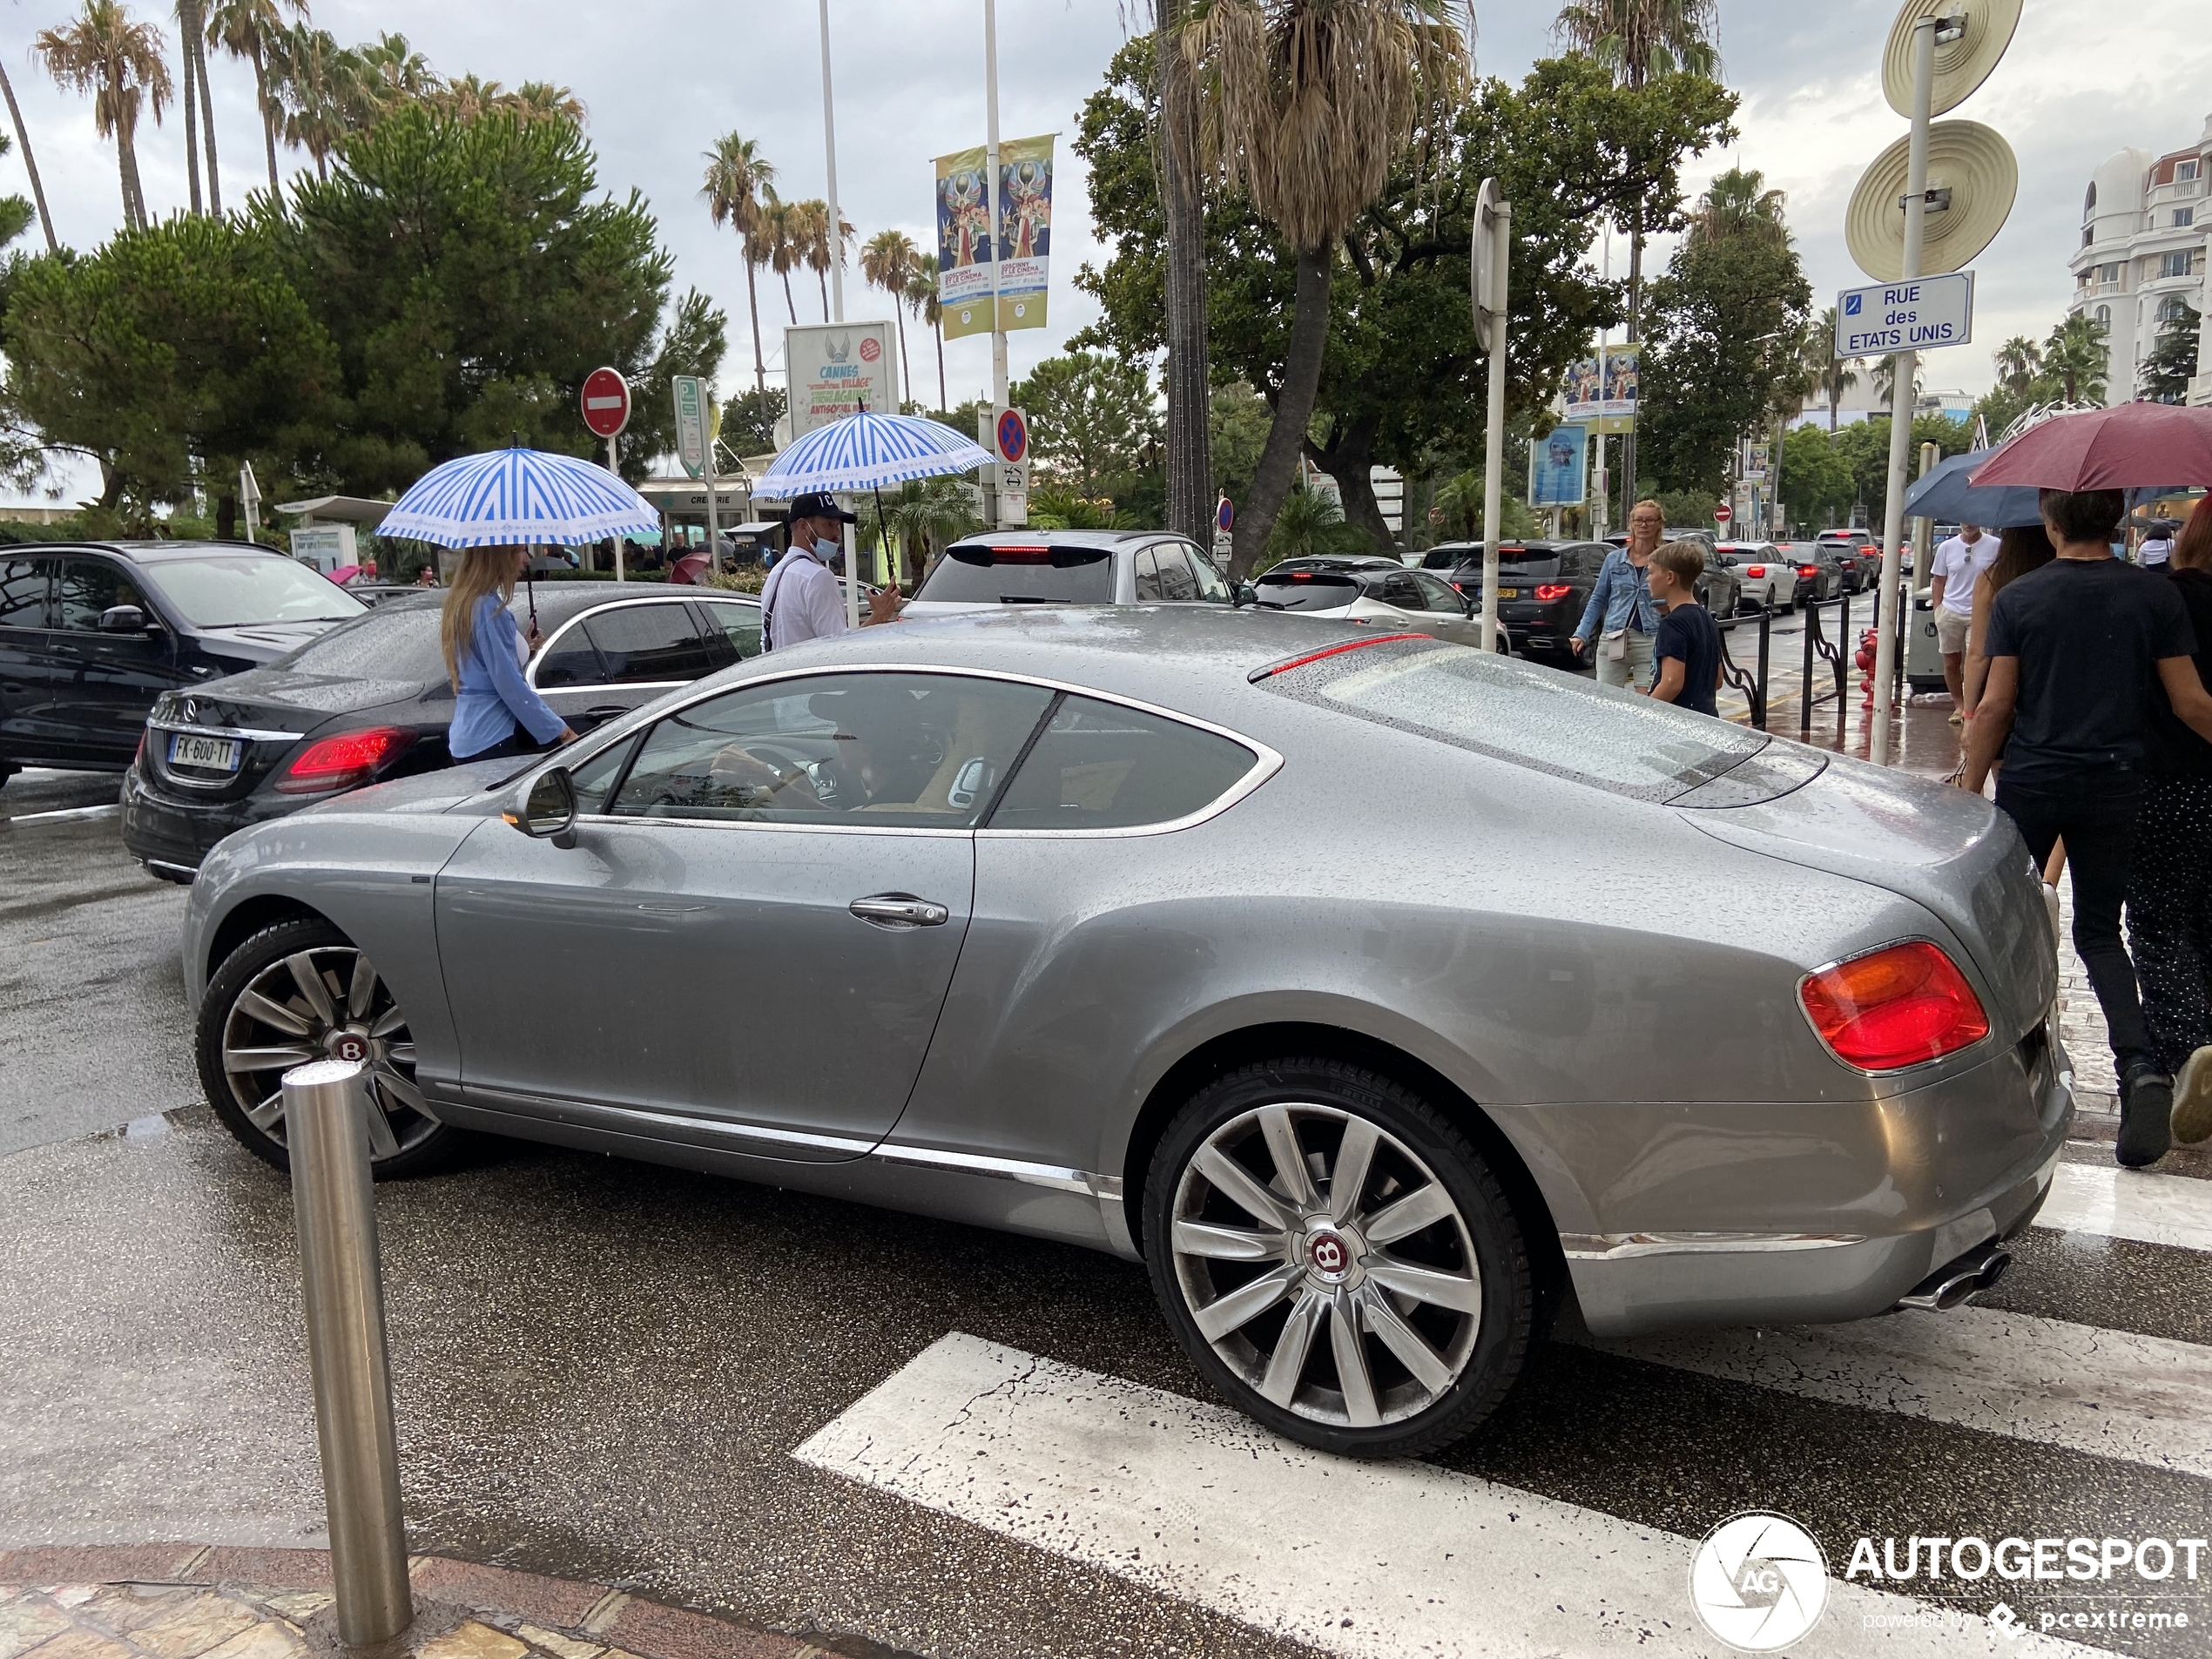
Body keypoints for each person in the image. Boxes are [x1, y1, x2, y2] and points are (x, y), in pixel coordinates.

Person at [1963, 488, 2212, 1168]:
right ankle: (2140, 1070)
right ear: (2119, 519)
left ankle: (1994, 1080)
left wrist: (1967, 789)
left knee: (2003, 928)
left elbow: (1994, 708)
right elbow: (2191, 703)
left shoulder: (2021, 598)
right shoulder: (2155, 597)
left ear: (2049, 522)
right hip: (2118, 783)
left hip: (2036, 782)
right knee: (2101, 933)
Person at [2130, 496, 2212, 1145]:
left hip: (2166, 780)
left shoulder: (2165, 599)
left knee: (2158, 924)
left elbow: (2185, 702)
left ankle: (2188, 1051)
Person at [441, 544, 576, 764]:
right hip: (492, 738)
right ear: (499, 556)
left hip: (466, 736)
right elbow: (509, 685)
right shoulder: (489, 609)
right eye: (520, 550)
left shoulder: (463, 603)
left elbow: (478, 666)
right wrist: (562, 732)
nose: (527, 559)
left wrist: (524, 647)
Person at [759, 492, 901, 650]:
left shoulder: (776, 573)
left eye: (837, 525)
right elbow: (839, 650)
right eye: (828, 524)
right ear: (803, 527)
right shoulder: (818, 577)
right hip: (813, 673)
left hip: (782, 672)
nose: (837, 534)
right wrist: (879, 615)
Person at [1959, 523, 2056, 717]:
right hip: (2051, 688)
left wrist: (1969, 713)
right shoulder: (2060, 578)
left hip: (2003, 693)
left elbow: (1978, 654)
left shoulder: (1992, 578)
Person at [1573, 498, 1662, 690]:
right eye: (1638, 520)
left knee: (1647, 703)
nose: (1643, 525)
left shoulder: (1664, 559)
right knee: (1607, 700)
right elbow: (1598, 598)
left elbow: (1674, 596)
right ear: (1631, 524)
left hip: (1650, 639)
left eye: (1649, 520)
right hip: (1614, 637)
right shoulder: (1614, 560)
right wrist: (1582, 633)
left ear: (1659, 524)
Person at [1643, 539, 1721, 716]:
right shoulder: (1707, 619)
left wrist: (1645, 711)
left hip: (1680, 721)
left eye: (1651, 572)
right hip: (1708, 716)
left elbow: (1671, 682)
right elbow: (1717, 680)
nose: (1648, 578)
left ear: (1670, 577)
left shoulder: (1673, 623)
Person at [1930, 522, 1997, 724]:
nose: (1969, 524)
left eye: (1974, 519)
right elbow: (1938, 580)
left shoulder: (1995, 545)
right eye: (1964, 519)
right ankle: (1959, 705)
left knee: (1975, 660)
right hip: (1950, 611)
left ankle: (1972, 707)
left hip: (1980, 612)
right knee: (1951, 662)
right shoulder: (1946, 548)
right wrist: (1938, 609)